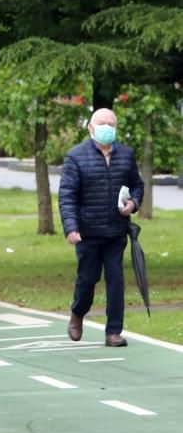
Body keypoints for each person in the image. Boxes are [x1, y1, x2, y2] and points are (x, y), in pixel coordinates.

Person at [58, 108, 144, 347]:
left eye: (111, 123)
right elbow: (67, 196)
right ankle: (77, 314)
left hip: (116, 231)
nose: (106, 127)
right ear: (91, 127)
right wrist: (71, 228)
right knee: (87, 280)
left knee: (116, 280)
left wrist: (133, 203)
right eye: (101, 123)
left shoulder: (126, 155)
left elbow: (137, 185)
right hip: (87, 232)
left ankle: (113, 332)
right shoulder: (76, 156)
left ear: (116, 127)